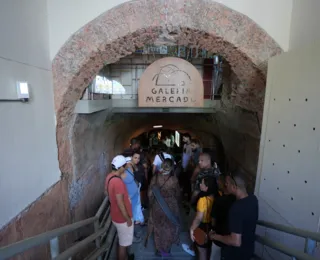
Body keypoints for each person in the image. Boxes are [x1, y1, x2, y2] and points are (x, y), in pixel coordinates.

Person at [209, 170, 259, 260]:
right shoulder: (253, 199)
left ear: (234, 187)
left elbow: (235, 241)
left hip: (234, 255)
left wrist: (215, 236)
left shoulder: (236, 208)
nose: (225, 185)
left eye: (227, 183)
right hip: (248, 251)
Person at [147, 158, 181, 257]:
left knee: (158, 227)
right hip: (171, 205)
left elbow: (150, 193)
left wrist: (151, 204)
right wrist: (178, 203)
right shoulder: (174, 179)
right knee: (169, 227)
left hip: (158, 204)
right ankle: (167, 249)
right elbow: (178, 194)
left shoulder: (156, 177)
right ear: (171, 167)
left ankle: (159, 250)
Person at [105, 155, 134, 260]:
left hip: (114, 214)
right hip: (122, 219)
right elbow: (120, 203)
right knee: (123, 244)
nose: (126, 167)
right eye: (125, 166)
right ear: (121, 167)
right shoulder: (118, 182)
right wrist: (128, 219)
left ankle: (126, 256)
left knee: (122, 240)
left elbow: (107, 193)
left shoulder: (109, 177)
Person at [183, 176, 219, 260]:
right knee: (210, 249)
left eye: (202, 183)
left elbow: (198, 218)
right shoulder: (219, 195)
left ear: (207, 187)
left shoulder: (203, 200)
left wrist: (192, 229)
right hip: (214, 227)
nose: (200, 184)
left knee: (202, 251)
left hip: (203, 227)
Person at [210, 175, 236, 260]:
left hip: (219, 234)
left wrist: (212, 230)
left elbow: (213, 218)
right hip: (231, 236)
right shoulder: (236, 200)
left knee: (214, 257)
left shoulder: (218, 200)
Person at [124, 154, 145, 226]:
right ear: (131, 158)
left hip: (136, 187)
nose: (137, 159)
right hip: (135, 187)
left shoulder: (136, 166)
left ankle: (139, 219)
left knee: (136, 204)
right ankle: (138, 219)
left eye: (138, 158)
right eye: (135, 158)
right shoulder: (131, 166)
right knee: (136, 204)